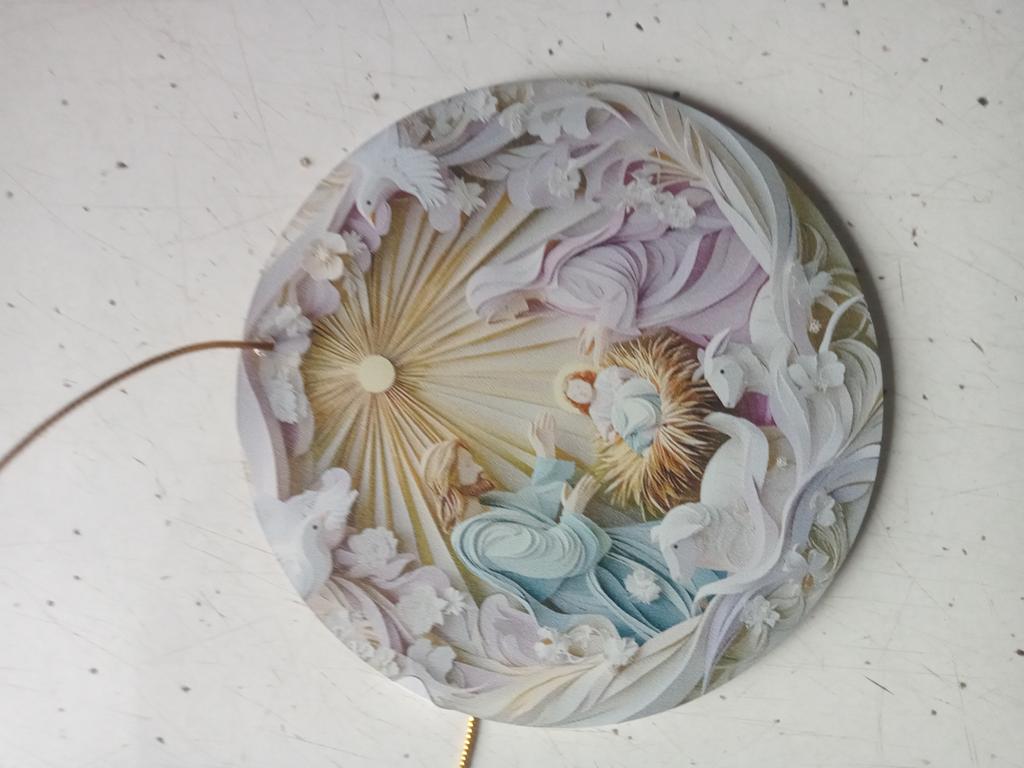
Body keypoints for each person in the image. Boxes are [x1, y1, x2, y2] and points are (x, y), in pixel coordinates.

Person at [419, 414, 719, 642]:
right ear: (451, 480)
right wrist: (574, 511)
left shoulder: (490, 507)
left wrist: (546, 454)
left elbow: (536, 505)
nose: (480, 468)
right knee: (668, 596)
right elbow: (554, 556)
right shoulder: (480, 539)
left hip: (599, 561)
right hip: (586, 585)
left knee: (670, 540)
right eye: (468, 466)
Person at [559, 365, 663, 455]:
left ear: (584, 379)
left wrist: (621, 386)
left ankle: (652, 417)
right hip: (629, 420)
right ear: (577, 403)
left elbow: (623, 374)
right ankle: (649, 438)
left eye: (578, 386)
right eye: (575, 396)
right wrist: (611, 435)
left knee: (621, 402)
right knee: (625, 430)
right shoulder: (594, 411)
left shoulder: (603, 378)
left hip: (637, 396)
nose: (580, 393)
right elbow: (605, 429)